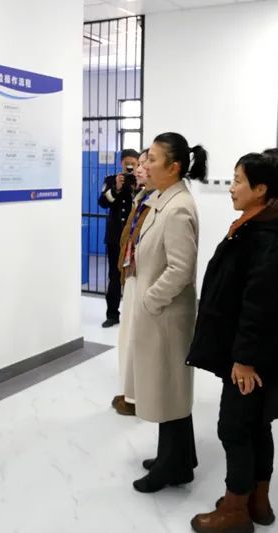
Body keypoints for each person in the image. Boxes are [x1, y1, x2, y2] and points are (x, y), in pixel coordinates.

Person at [186, 153, 278, 533]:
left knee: (235, 428)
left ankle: (235, 509)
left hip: (253, 357)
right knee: (257, 425)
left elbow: (260, 306)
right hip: (261, 353)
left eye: (239, 180)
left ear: (261, 189)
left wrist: (244, 360)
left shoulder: (268, 239)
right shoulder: (264, 225)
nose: (232, 187)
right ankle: (258, 500)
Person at [127, 132, 205, 493]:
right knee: (168, 388)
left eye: (153, 159)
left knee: (169, 389)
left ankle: (172, 465)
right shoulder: (163, 200)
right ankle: (178, 459)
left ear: (173, 167)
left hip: (167, 316)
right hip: (160, 314)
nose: (146, 165)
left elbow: (180, 269)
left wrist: (150, 300)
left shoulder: (177, 208)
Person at [112, 148, 152, 416]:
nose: (137, 169)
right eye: (137, 164)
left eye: (146, 163)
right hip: (133, 272)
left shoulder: (164, 202)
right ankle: (131, 392)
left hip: (145, 279)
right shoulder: (143, 196)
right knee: (128, 335)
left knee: (137, 338)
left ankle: (137, 395)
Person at [98, 148, 141, 328]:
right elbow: (102, 203)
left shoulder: (143, 181)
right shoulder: (111, 180)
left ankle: (136, 316)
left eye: (134, 164)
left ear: (138, 164)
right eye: (126, 163)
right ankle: (112, 314)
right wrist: (116, 187)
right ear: (121, 163)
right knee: (114, 276)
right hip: (115, 237)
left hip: (136, 237)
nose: (130, 167)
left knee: (137, 277)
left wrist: (136, 187)